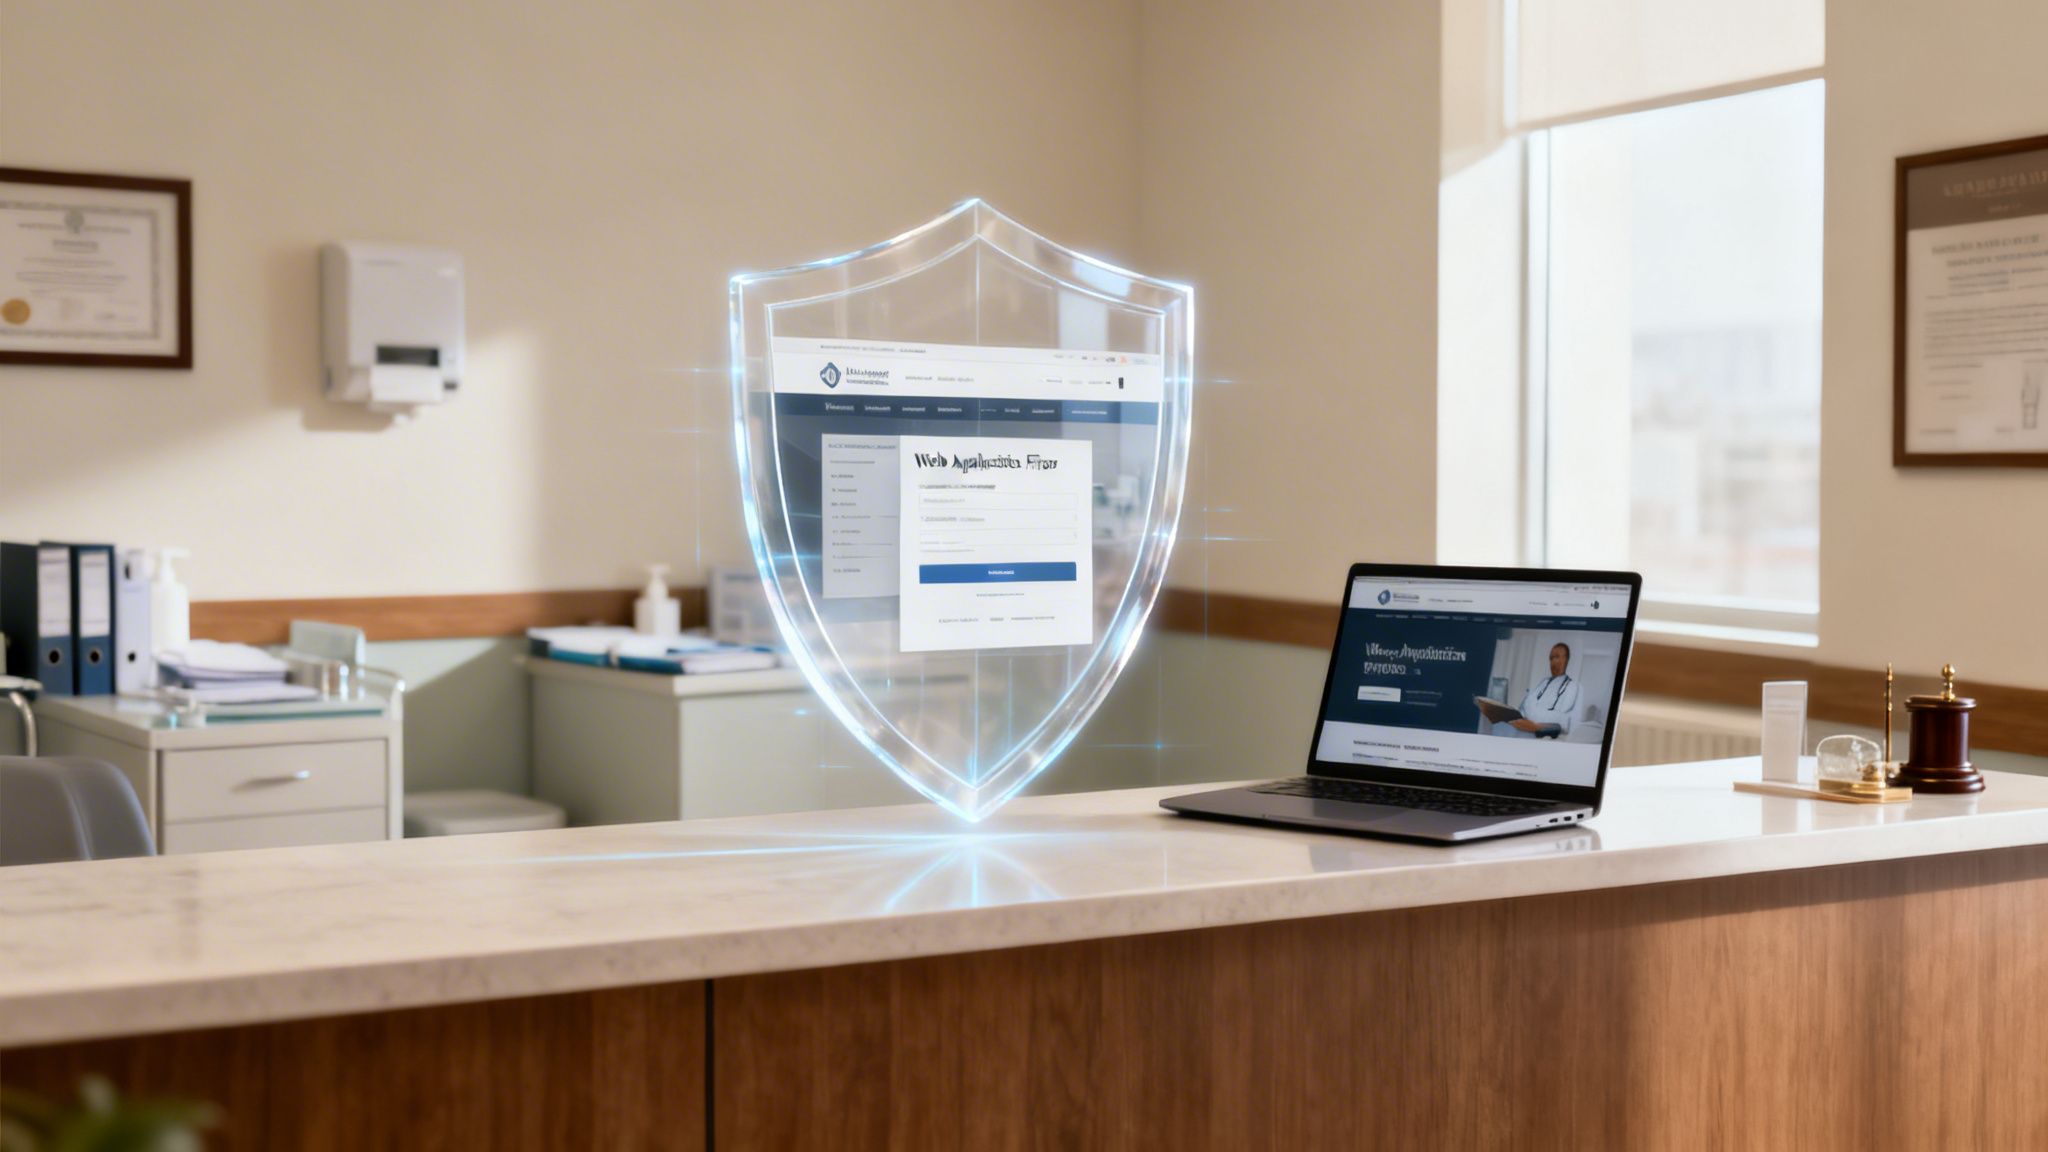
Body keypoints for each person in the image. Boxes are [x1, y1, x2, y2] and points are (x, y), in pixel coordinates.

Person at [1498, 642, 1579, 739]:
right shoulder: (1544, 683)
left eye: (1557, 657)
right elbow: (1524, 706)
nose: (1553, 662)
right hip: (1524, 729)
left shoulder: (1572, 686)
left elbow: (1563, 720)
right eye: (1551, 658)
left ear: (1566, 660)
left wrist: (1533, 718)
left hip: (1544, 737)